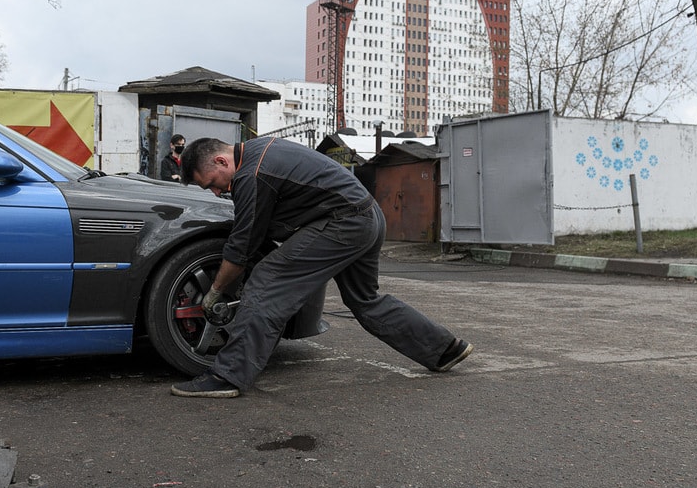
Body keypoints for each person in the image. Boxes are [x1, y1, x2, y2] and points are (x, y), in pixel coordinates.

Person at [171, 136, 472, 398]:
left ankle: (228, 376)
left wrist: (216, 290)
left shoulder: (253, 173)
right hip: (368, 216)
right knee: (365, 300)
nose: (216, 192)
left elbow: (242, 246)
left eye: (212, 184)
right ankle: (444, 349)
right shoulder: (260, 149)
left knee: (266, 282)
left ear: (221, 161)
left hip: (345, 223)